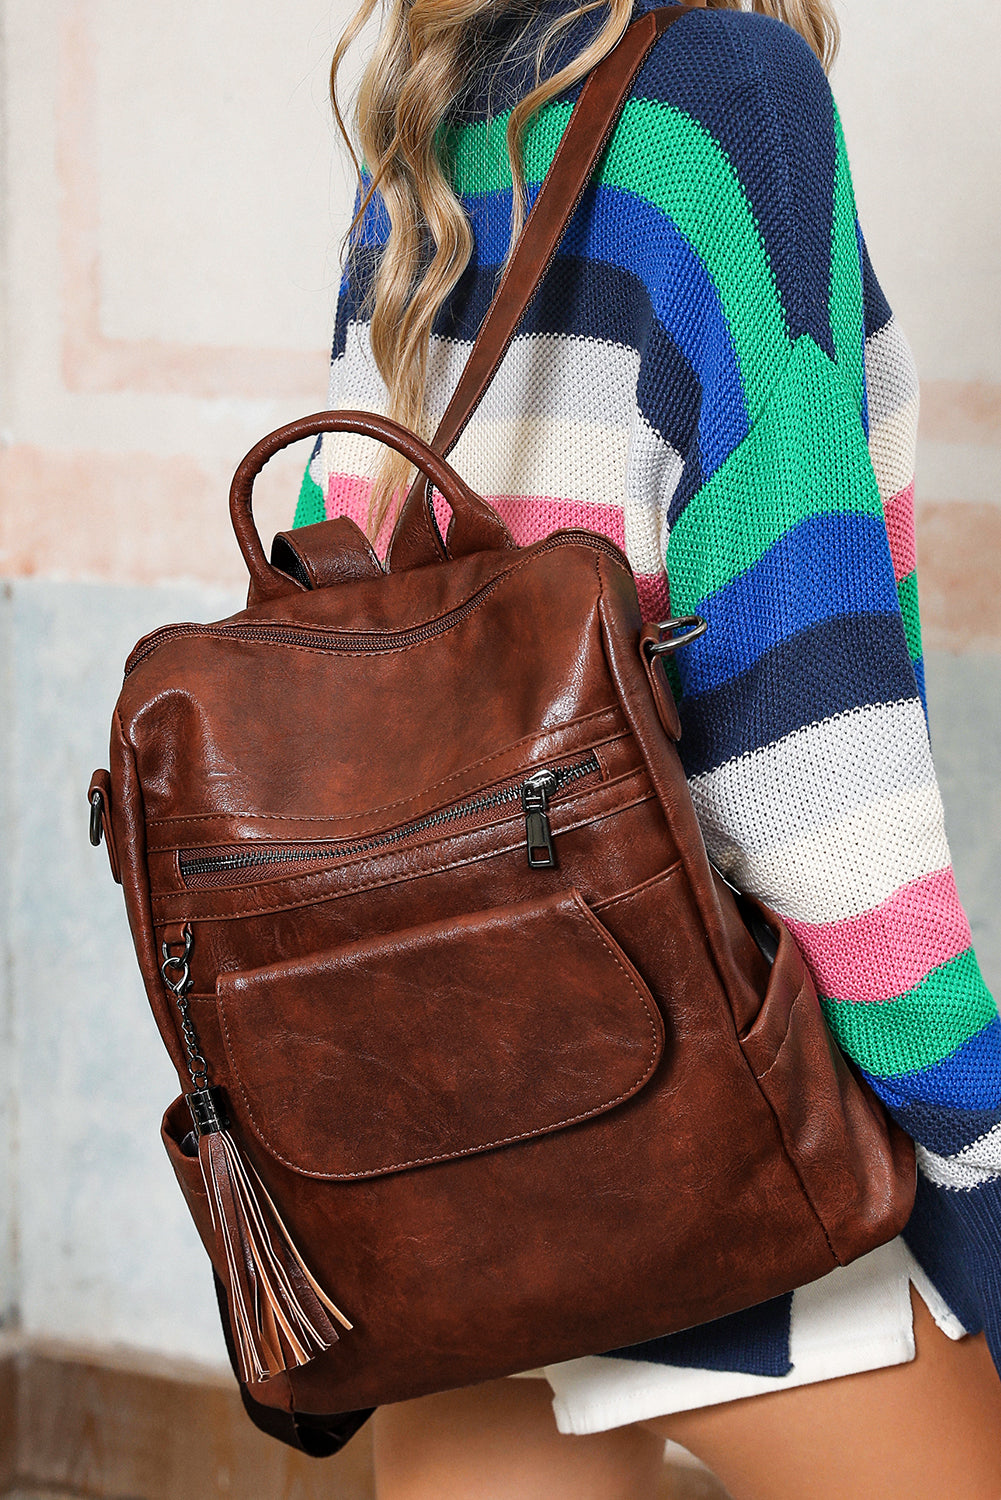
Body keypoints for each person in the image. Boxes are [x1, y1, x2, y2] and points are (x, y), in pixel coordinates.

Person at [295, 1, 1001, 1494]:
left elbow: (347, 583)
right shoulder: (733, 98)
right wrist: (968, 1130)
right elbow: (802, 738)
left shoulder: (429, 100)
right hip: (706, 1113)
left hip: (449, 1137)